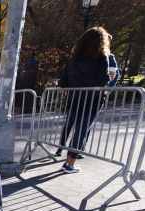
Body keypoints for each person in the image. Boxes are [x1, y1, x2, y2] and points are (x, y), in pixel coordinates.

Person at [54, 27, 112, 173]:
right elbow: (101, 80)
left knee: (70, 125)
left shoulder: (74, 58)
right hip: (92, 99)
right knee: (81, 130)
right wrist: (108, 78)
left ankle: (64, 153)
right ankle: (69, 163)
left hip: (75, 98)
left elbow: (63, 82)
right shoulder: (101, 57)